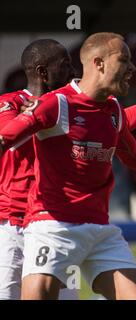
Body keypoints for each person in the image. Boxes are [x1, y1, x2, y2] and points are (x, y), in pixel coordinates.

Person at [0, 32, 136, 300]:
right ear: (99, 63)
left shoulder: (111, 109)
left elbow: (134, 155)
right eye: (124, 60)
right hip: (49, 226)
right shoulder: (48, 104)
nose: (133, 69)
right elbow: (5, 137)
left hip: (100, 229)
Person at [0, 39, 81, 300]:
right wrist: (38, 115)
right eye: (65, 65)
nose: (73, 72)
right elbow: (7, 135)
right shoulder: (9, 103)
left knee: (67, 297)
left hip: (60, 223)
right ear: (43, 72)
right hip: (14, 223)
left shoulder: (71, 106)